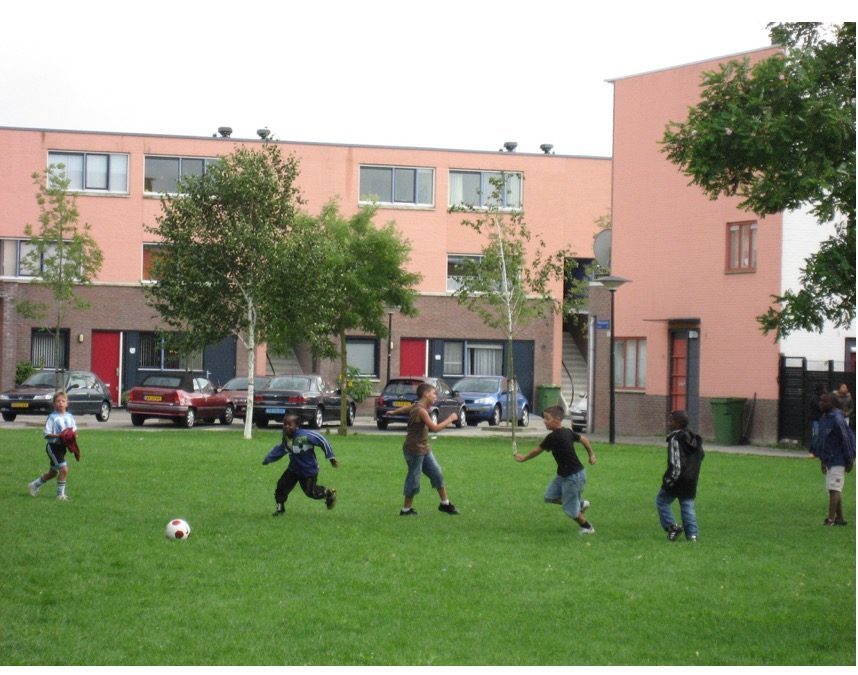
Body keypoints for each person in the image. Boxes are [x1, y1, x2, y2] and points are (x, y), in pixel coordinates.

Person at [514, 405, 597, 535]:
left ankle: (587, 527)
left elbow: (537, 451)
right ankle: (579, 504)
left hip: (574, 477)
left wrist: (524, 458)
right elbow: (584, 440)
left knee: (570, 509)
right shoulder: (567, 432)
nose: (544, 421)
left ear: (557, 420)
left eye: (547, 418)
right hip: (564, 475)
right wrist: (591, 455)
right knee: (550, 496)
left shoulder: (554, 437)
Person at [386, 382, 460, 516]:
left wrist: (394, 411)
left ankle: (445, 504)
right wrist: (450, 419)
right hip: (414, 449)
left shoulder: (418, 406)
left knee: (437, 473)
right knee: (414, 478)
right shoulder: (421, 411)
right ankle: (406, 510)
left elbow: (407, 408)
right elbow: (435, 428)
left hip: (424, 447)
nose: (435, 397)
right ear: (426, 394)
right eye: (433, 394)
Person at [262, 414, 338, 517]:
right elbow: (281, 449)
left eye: (290, 424)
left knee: (310, 492)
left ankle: (328, 493)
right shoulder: (286, 438)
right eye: (285, 424)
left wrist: (331, 457)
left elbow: (321, 439)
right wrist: (269, 458)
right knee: (281, 486)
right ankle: (280, 509)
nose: (286, 427)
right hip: (293, 469)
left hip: (308, 470)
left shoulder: (305, 436)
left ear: (297, 425)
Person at [656, 410, 704, 542]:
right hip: (691, 480)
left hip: (677, 479)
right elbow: (700, 456)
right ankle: (692, 535)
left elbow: (676, 462)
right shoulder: (694, 439)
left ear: (677, 424)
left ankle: (672, 526)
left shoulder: (675, 439)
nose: (668, 423)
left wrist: (670, 480)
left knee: (661, 501)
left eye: (670, 421)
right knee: (687, 505)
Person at [812, 393, 855, 526]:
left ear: (832, 404)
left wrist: (849, 460)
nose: (821, 403)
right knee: (833, 488)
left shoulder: (837, 419)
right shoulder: (824, 418)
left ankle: (830, 519)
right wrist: (822, 460)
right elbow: (822, 440)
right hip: (829, 459)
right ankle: (840, 519)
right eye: (820, 401)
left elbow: (846, 440)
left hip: (838, 459)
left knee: (834, 489)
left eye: (824, 401)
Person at [28, 391, 78, 501]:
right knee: (64, 470)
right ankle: (60, 495)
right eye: (58, 401)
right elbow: (46, 434)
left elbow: (74, 431)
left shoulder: (70, 416)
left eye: (63, 401)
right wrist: (60, 436)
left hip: (62, 448)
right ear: (54, 404)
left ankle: (34, 485)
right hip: (53, 447)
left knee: (53, 473)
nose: (60, 403)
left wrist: (73, 436)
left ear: (67, 403)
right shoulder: (52, 417)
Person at [808, 383, 827, 451]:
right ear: (820, 390)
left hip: (820, 419)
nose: (825, 390)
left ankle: (818, 450)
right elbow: (819, 407)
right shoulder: (815, 398)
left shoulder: (821, 398)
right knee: (816, 434)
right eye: (823, 389)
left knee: (820, 435)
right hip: (815, 419)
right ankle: (813, 450)